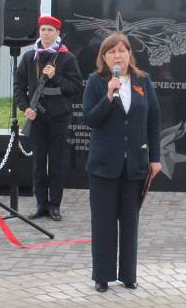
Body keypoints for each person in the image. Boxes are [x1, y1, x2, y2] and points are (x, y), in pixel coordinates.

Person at [82, 32, 161, 292]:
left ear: (129, 54)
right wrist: (108, 96)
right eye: (112, 52)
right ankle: (102, 276)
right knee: (103, 222)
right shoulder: (96, 82)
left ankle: (129, 275)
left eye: (122, 51)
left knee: (130, 221)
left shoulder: (143, 80)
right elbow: (90, 119)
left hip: (134, 164)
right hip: (104, 164)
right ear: (104, 57)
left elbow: (153, 119)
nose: (118, 56)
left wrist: (155, 158)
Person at [13, 15, 84, 221]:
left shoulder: (67, 58)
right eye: (43, 29)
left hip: (59, 118)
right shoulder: (30, 57)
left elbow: (76, 87)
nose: (46, 33)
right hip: (37, 118)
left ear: (57, 33)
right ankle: (40, 204)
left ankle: (54, 205)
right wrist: (25, 107)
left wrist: (56, 77)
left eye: (50, 30)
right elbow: (19, 86)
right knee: (37, 163)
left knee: (57, 162)